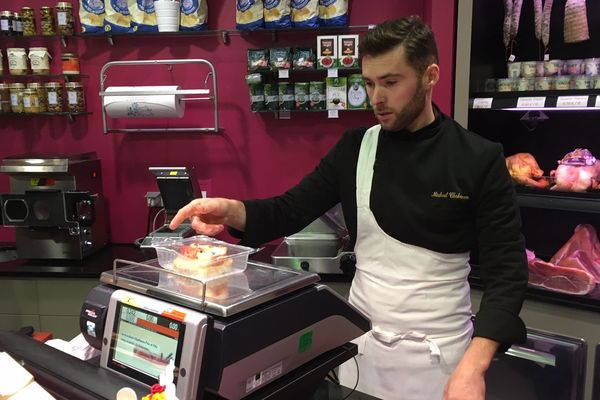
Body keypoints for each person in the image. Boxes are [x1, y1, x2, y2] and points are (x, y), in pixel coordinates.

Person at [169, 16, 528, 400]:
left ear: (430, 76)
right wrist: (230, 210)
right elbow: (290, 209)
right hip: (361, 348)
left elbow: (507, 272)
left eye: (391, 82)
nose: (376, 98)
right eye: (369, 83)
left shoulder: (478, 158)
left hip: (440, 360)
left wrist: (474, 366)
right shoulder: (355, 149)